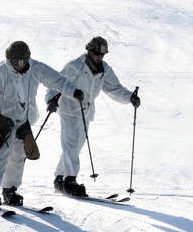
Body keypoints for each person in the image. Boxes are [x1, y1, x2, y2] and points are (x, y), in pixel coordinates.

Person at [0, 40, 82, 208]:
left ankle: (10, 190)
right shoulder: (1, 73)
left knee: (18, 156)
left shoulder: (36, 68)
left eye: (23, 61)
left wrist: (73, 91)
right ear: (10, 59)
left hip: (24, 118)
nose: (20, 65)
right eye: (16, 62)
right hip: (3, 119)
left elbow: (58, 80)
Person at [44, 36, 140, 197]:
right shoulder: (76, 66)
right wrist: (51, 100)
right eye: (96, 53)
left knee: (75, 146)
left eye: (102, 54)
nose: (99, 57)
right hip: (69, 109)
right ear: (89, 50)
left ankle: (60, 178)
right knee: (72, 145)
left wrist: (130, 97)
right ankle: (69, 181)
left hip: (86, 112)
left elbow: (114, 88)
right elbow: (57, 82)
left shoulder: (104, 70)